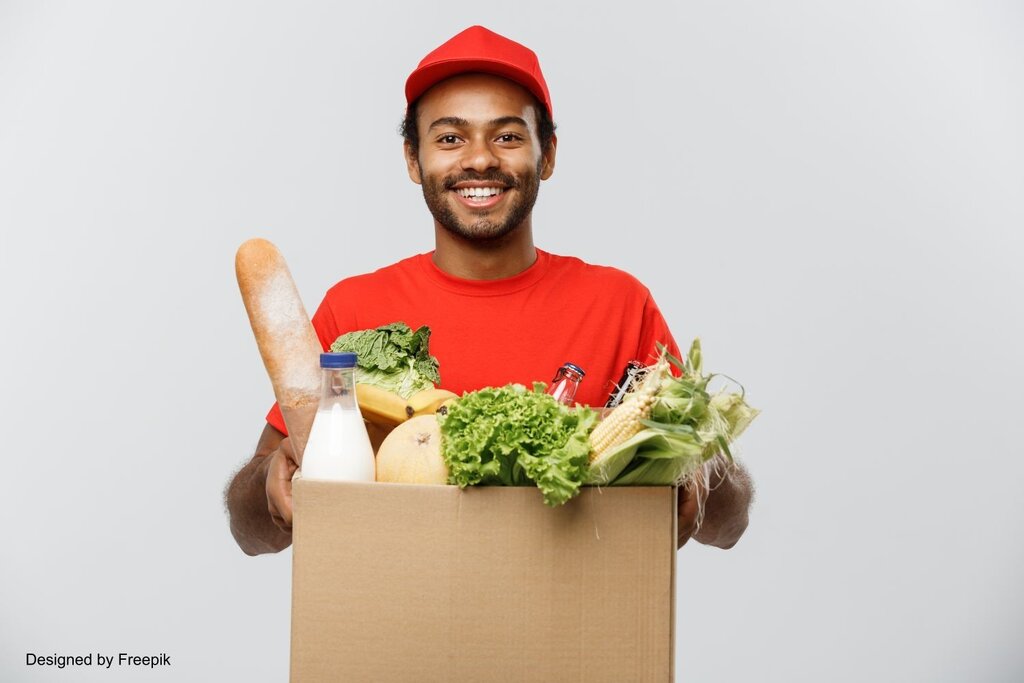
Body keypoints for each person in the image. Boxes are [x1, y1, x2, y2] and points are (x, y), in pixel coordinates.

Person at [225, 25, 752, 556]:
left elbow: (727, 528)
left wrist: (700, 472)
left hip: (575, 603)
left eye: (507, 137)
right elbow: (251, 535)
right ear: (413, 159)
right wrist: (270, 480)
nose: (479, 159)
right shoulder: (355, 312)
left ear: (547, 155)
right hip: (399, 601)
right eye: (449, 138)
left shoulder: (619, 305)